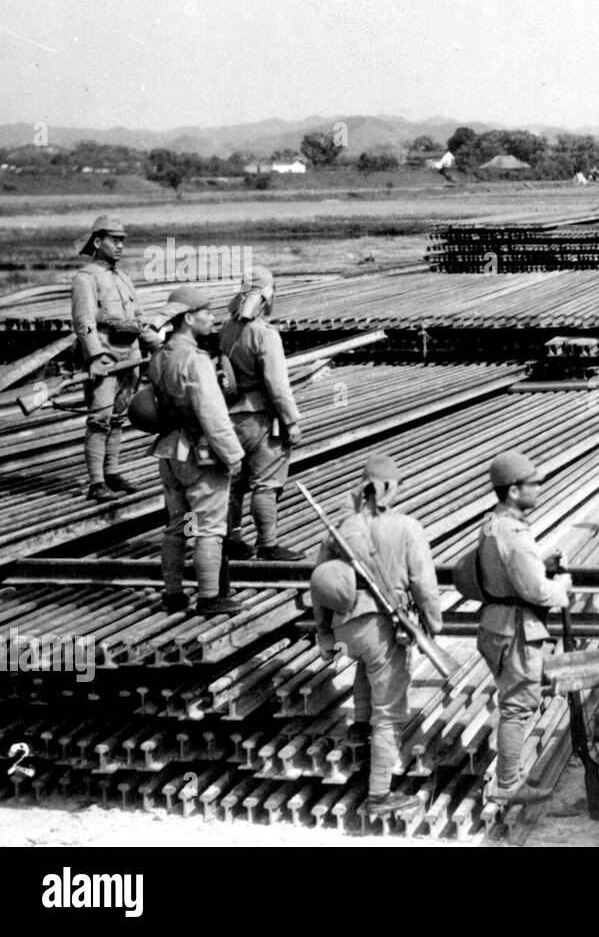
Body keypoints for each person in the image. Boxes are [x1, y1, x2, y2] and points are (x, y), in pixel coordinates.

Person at [310, 452, 443, 820]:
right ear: (385, 487)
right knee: (391, 711)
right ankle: (380, 794)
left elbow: (320, 583)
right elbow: (423, 583)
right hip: (382, 626)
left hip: (344, 628)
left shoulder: (340, 529)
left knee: (366, 666)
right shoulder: (406, 527)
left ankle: (358, 728)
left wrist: (325, 632)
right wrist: (433, 624)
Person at [475, 451, 571, 805]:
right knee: (517, 707)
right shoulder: (514, 533)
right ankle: (507, 786)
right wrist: (562, 590)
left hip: (495, 624)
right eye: (533, 484)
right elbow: (534, 589)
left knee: (514, 700)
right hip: (516, 630)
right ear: (514, 491)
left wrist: (538, 562)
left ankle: (509, 780)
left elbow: (504, 566)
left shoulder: (492, 522)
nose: (538, 490)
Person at [147, 287, 245, 614]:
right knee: (210, 528)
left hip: (168, 451)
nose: (213, 317)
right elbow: (213, 416)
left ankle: (172, 595)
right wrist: (234, 456)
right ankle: (209, 598)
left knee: (176, 526)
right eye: (207, 312)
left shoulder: (159, 356)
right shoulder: (196, 360)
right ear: (189, 318)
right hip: (200, 454)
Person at [70, 216, 162, 500]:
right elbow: (84, 321)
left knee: (118, 418)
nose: (120, 245)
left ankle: (112, 473)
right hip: (107, 357)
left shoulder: (123, 279)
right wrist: (94, 357)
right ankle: (97, 483)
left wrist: (157, 345)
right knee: (100, 418)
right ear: (98, 242)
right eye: (114, 240)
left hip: (130, 356)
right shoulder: (86, 278)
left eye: (123, 240)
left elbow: (138, 320)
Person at [219, 265, 305, 560]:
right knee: (265, 483)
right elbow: (277, 384)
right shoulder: (265, 334)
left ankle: (231, 539)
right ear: (267, 296)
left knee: (234, 483)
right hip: (261, 417)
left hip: (231, 416)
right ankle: (268, 544)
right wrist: (291, 420)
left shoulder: (227, 329)